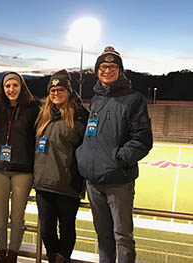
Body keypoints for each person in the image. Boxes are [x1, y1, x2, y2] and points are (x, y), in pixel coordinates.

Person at [76, 46, 153, 263]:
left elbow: (142, 140)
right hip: (94, 181)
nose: (107, 70)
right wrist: (83, 157)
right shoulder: (97, 99)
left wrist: (117, 159)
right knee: (103, 236)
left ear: (120, 70)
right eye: (103, 66)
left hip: (118, 181)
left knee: (123, 237)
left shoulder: (134, 99)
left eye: (112, 66)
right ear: (97, 70)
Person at [33, 69, 88, 263]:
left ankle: (63, 259)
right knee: (47, 229)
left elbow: (87, 150)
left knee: (66, 227)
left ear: (69, 91)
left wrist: (80, 180)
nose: (56, 93)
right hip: (43, 183)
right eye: (52, 90)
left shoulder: (80, 116)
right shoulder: (42, 115)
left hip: (67, 184)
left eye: (60, 89)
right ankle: (52, 258)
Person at [0, 72, 39, 263]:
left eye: (15, 85)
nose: (11, 89)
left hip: (23, 170)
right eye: (7, 86)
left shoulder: (33, 109)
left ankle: (13, 255)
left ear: (21, 87)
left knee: (17, 219)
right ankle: (1, 254)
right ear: (3, 88)